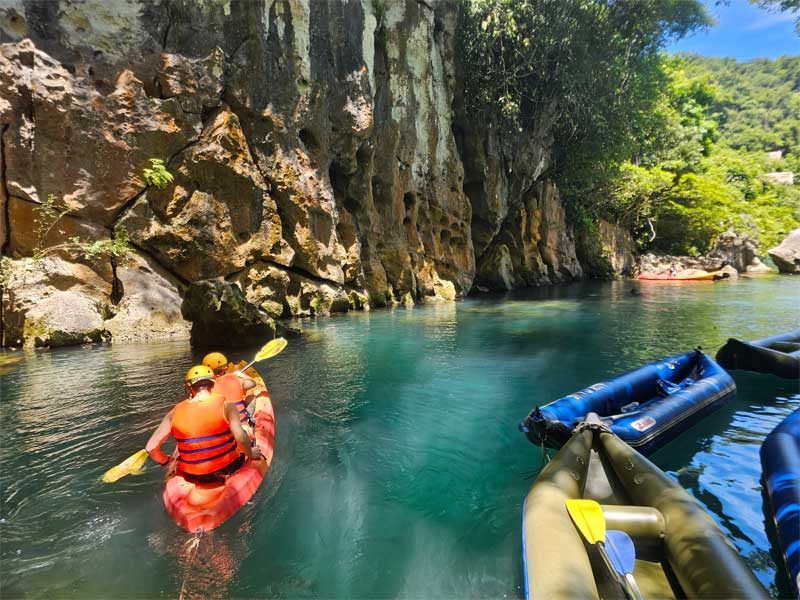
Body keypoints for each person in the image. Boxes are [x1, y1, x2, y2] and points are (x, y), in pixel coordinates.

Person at [145, 365, 261, 482]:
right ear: (213, 384)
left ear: (189, 387)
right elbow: (240, 437)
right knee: (245, 432)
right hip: (228, 467)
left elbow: (151, 448)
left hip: (193, 475)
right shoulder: (227, 406)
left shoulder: (173, 413)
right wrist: (251, 453)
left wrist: (165, 461)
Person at [202, 352, 259, 426]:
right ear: (226, 367)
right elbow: (253, 383)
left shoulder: (205, 387)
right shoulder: (236, 379)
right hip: (240, 424)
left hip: (218, 424)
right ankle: (249, 419)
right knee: (252, 397)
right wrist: (241, 375)